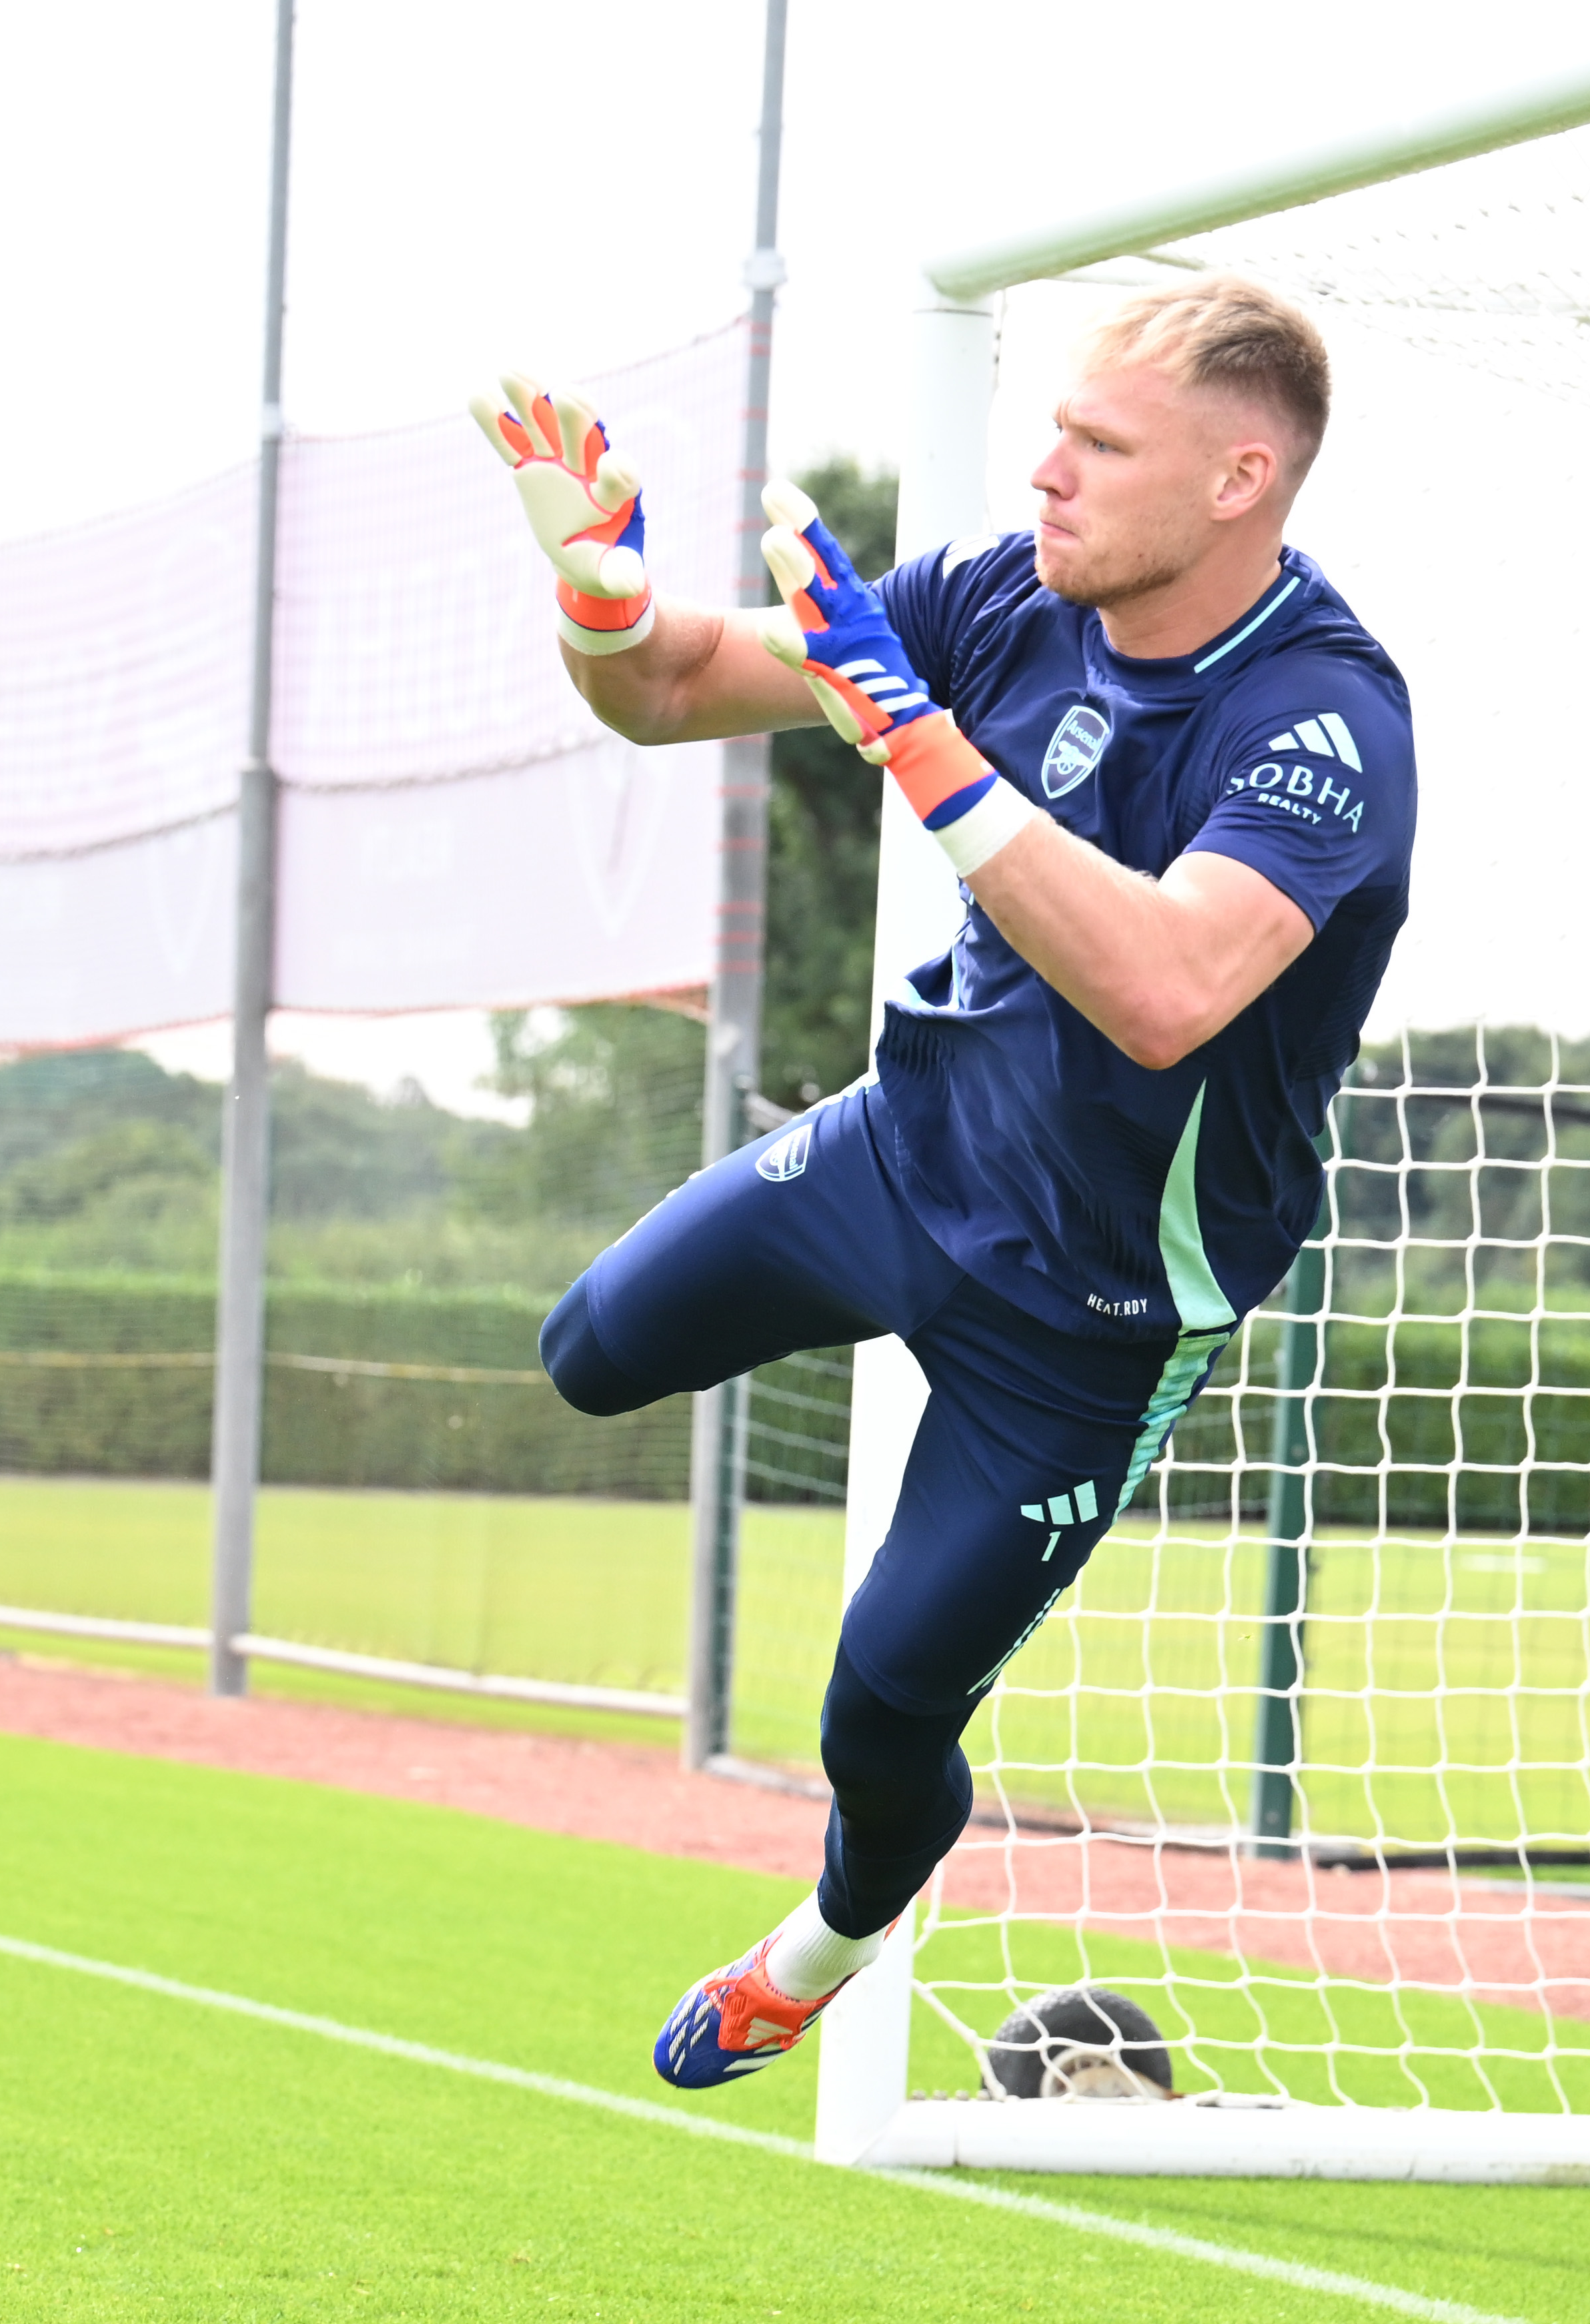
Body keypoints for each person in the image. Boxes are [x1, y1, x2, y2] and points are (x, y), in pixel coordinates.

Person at [472, 272, 1415, 2089]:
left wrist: (918, 736)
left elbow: (1161, 992)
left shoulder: (1324, 723)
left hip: (1092, 1316)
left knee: (884, 1699)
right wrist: (598, 597)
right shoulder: (1000, 596)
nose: (1045, 469)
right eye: (1052, 427)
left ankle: (821, 1945)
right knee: (590, 1347)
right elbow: (668, 689)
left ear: (1237, 480)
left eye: (1097, 442)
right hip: (904, 1159)